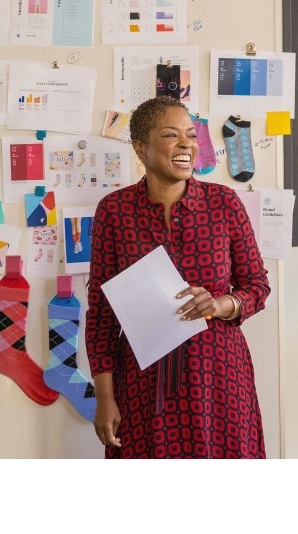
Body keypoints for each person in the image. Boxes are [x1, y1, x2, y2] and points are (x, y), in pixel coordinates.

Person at [85, 96, 271, 458]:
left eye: (191, 134)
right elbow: (102, 316)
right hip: (143, 380)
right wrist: (104, 397)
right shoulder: (115, 211)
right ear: (141, 147)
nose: (187, 144)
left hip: (218, 376)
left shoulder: (225, 203)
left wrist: (220, 304)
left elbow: (257, 287)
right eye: (172, 135)